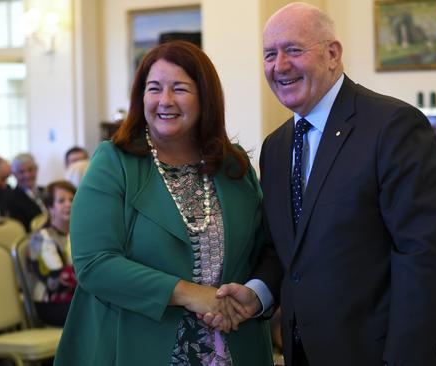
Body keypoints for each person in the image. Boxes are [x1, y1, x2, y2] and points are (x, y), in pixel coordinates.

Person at [209, 3, 436, 365]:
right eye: (270, 54)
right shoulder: (276, 147)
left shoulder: (393, 127)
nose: (279, 65)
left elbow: (422, 258)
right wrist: (258, 293)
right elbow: (287, 251)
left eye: (293, 50)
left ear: (333, 54)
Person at [54, 40, 273, 366]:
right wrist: (190, 293)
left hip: (232, 343)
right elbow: (94, 264)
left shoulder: (233, 165)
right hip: (136, 344)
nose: (165, 101)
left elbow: (267, 247)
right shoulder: (114, 162)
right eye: (153, 88)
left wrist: (254, 296)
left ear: (205, 97)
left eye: (180, 89)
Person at [27, 180, 76, 327]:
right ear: (50, 208)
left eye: (72, 199)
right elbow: (55, 282)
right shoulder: (42, 237)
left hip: (76, 298)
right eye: (61, 201)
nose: (68, 204)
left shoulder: (78, 233)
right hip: (51, 303)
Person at [8, 153, 46, 231]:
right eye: (21, 172)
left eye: (30, 170)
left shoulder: (46, 191)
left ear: (36, 170)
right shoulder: (11, 198)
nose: (27, 175)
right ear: (14, 175)